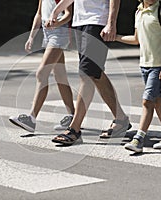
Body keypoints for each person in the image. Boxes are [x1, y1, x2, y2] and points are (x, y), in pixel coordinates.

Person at [46, 0, 131, 145]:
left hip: (97, 21)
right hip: (80, 22)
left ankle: (74, 129)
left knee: (87, 75)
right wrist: (55, 13)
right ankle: (121, 119)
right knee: (95, 74)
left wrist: (111, 23)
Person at [116, 0, 161, 153]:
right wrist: (116, 37)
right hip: (144, 65)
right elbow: (136, 39)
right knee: (156, 100)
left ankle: (138, 139)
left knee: (147, 101)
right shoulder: (139, 12)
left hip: (158, 66)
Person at [9, 0, 75, 132]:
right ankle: (73, 117)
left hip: (59, 32)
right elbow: (38, 14)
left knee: (41, 73)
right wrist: (31, 37)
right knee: (60, 76)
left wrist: (57, 23)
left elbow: (69, 14)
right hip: (48, 32)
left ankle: (31, 119)